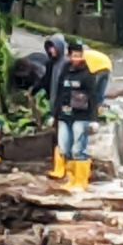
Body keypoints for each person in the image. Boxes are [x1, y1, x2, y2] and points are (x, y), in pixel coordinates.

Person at [54, 42, 97, 192]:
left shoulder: (88, 74)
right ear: (69, 56)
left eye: (79, 55)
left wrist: (93, 119)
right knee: (64, 147)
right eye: (74, 56)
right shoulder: (64, 71)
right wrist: (55, 114)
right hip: (65, 115)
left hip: (81, 116)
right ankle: (70, 179)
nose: (77, 59)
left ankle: (81, 181)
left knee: (78, 149)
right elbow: (59, 94)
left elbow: (93, 97)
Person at [42, 34, 70, 180]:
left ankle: (64, 168)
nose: (51, 51)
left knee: (63, 137)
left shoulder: (66, 64)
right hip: (55, 105)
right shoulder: (51, 64)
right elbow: (46, 81)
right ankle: (59, 166)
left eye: (53, 47)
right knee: (57, 136)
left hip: (63, 106)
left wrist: (57, 111)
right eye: (49, 48)